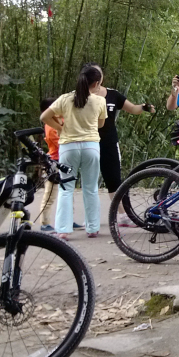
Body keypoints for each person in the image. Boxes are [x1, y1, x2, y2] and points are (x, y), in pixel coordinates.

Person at [40, 65, 107, 240]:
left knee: (66, 188)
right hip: (91, 146)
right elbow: (100, 124)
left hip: (68, 147)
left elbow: (44, 117)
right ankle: (92, 228)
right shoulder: (99, 101)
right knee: (90, 188)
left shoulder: (65, 99)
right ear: (96, 83)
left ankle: (63, 229)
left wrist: (60, 128)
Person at [89, 64, 155, 228]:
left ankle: (122, 215)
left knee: (114, 179)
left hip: (109, 142)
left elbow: (132, 108)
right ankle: (91, 219)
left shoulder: (112, 94)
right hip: (87, 142)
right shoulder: (79, 96)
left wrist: (144, 107)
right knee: (90, 181)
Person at [38, 97, 84, 232]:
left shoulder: (61, 120)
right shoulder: (50, 125)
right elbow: (60, 141)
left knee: (68, 192)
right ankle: (44, 223)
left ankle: (69, 219)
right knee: (50, 194)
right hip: (54, 163)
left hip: (66, 161)